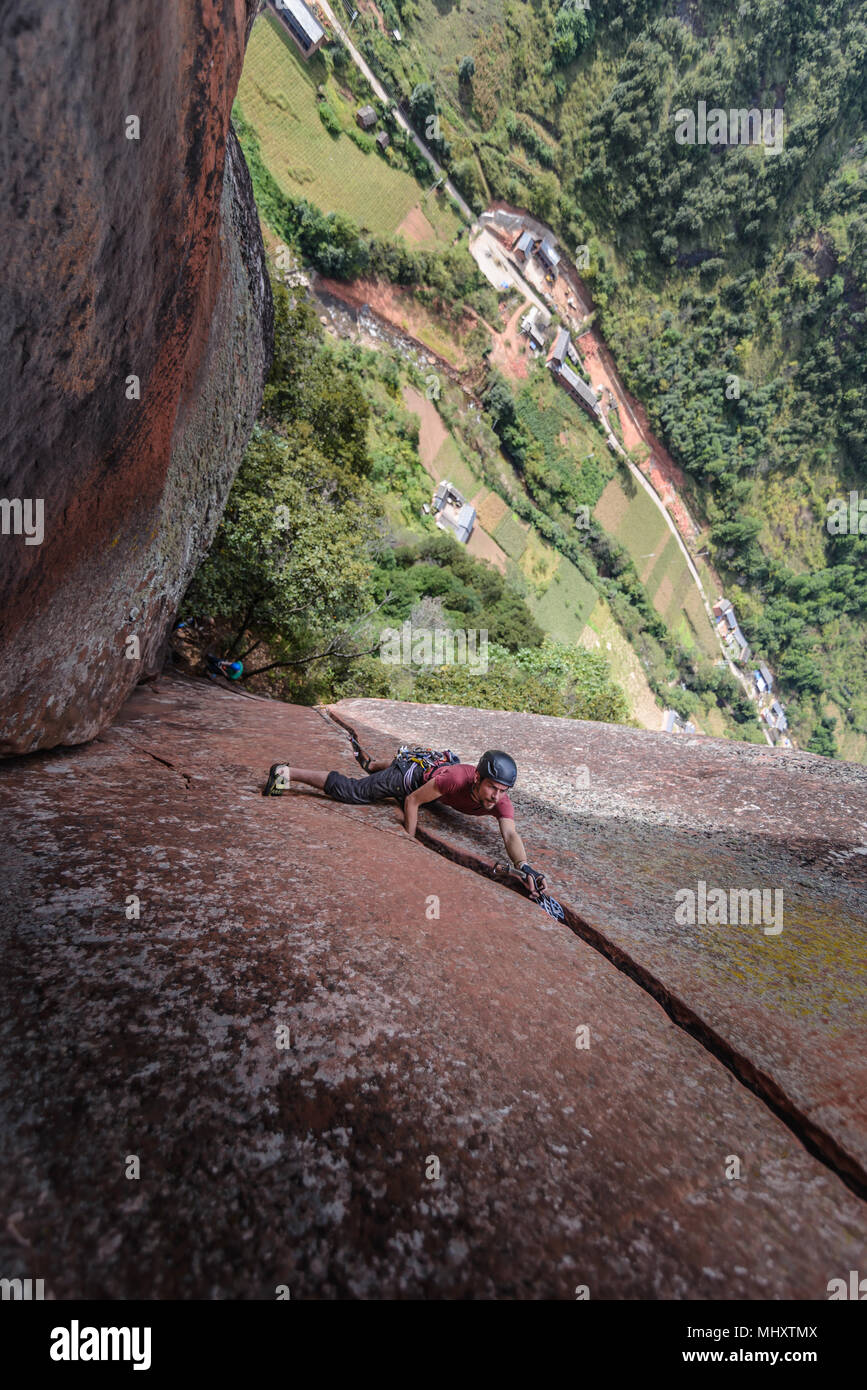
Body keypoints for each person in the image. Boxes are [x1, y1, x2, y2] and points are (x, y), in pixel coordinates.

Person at [263, 747, 549, 899]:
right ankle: (286, 773)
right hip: (409, 780)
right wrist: (409, 840)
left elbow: (510, 834)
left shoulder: (499, 800)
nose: (496, 797)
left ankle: (375, 763)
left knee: (416, 782)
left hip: (430, 774)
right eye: (492, 788)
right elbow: (413, 800)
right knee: (355, 792)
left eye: (502, 791)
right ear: (477, 778)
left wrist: (524, 867)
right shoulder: (455, 780)